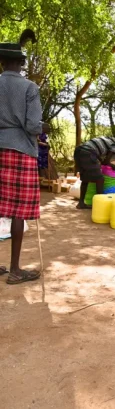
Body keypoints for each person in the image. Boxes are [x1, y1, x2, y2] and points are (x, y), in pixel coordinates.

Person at [0, 29, 43, 285]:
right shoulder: (29, 87)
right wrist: (42, 127)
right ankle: (15, 270)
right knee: (18, 211)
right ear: (20, 63)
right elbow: (32, 125)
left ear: (3, 62)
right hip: (20, 151)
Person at [74, 133, 115, 209]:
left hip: (79, 151)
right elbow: (106, 161)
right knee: (100, 179)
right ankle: (100, 205)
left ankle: (81, 203)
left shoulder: (107, 139)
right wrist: (113, 166)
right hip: (88, 153)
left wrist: (102, 162)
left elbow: (100, 157)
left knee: (85, 179)